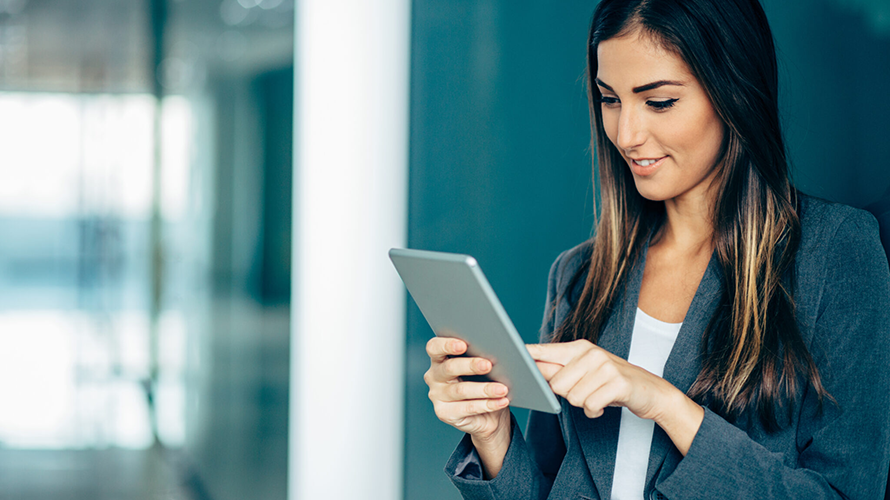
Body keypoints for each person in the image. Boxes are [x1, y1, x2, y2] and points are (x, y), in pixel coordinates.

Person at [422, 0, 890, 498]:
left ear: (734, 91)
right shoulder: (580, 274)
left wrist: (663, 402)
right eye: (610, 99)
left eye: (659, 102)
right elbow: (546, 487)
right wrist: (491, 430)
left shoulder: (835, 253)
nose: (627, 135)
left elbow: (845, 492)